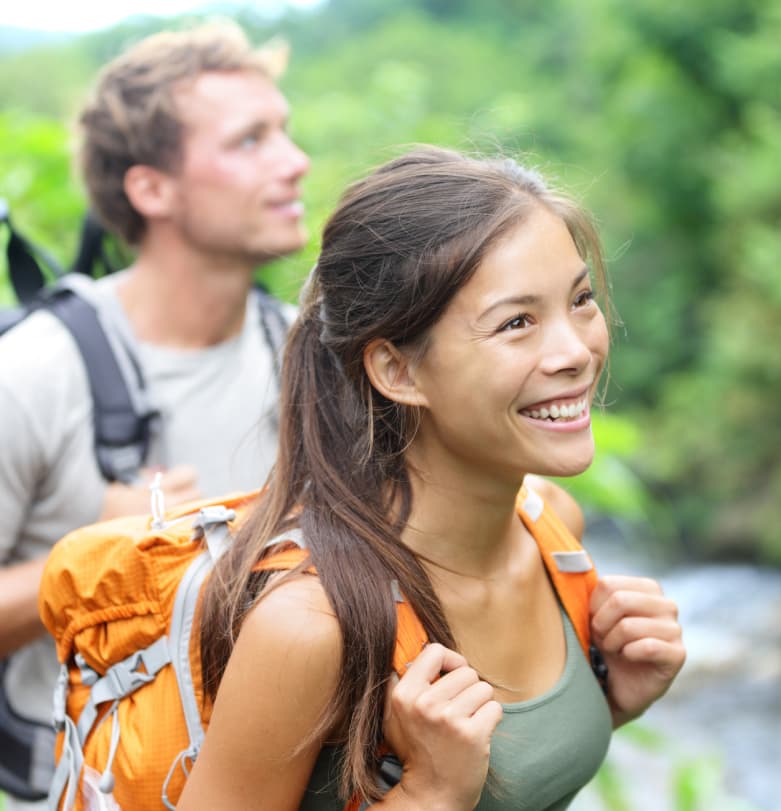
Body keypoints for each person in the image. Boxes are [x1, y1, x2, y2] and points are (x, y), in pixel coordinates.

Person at [179, 145, 685, 811]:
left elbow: (515, 777)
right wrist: (429, 793)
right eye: (516, 323)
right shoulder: (310, 628)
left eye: (581, 299)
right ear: (398, 370)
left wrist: (606, 698)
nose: (575, 351)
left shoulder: (552, 529)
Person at [0, 22, 310, 809]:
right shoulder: (36, 371)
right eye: (249, 141)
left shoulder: (307, 355)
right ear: (151, 189)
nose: (294, 161)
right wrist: (107, 558)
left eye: (283, 131)